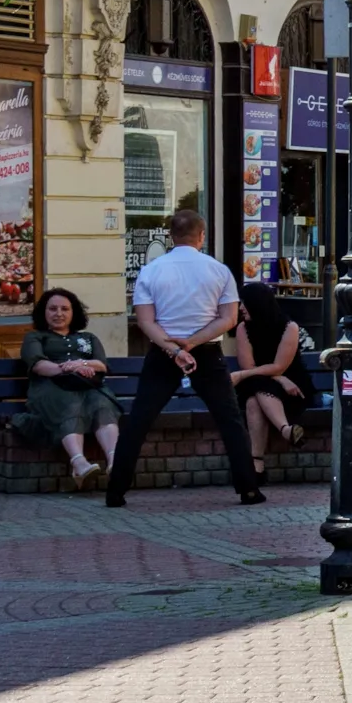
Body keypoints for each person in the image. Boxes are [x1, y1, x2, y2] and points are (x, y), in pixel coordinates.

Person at [104, 206, 266, 508]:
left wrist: (175, 349)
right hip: (205, 351)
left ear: (171, 236)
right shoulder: (219, 270)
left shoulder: (151, 270)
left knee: (139, 419)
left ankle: (116, 492)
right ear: (201, 235)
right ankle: (248, 489)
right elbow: (228, 319)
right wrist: (191, 343)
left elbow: (145, 321)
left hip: (164, 352)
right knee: (230, 420)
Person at [18, 290, 119, 488]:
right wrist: (66, 368)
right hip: (50, 387)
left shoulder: (89, 338)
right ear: (43, 313)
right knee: (69, 403)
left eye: (65, 309)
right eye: (53, 309)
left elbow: (101, 365)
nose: (59, 313)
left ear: (74, 313)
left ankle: (115, 461)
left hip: (88, 386)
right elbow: (38, 365)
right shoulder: (35, 337)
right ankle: (79, 463)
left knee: (102, 403)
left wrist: (82, 364)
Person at [230, 283, 311, 468]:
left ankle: (256, 465)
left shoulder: (289, 327)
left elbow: (280, 366)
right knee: (254, 393)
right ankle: (285, 430)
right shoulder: (243, 328)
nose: (241, 308)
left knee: (255, 395)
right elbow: (249, 365)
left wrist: (242, 375)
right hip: (263, 381)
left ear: (258, 304)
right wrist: (279, 377)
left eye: (245, 303)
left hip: (293, 387)